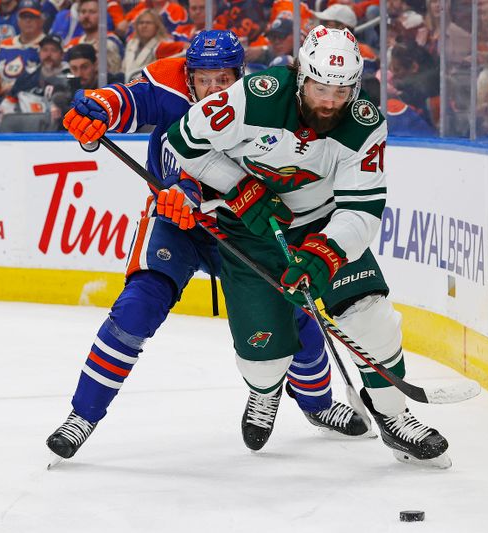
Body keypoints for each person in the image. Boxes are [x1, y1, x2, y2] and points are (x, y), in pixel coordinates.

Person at [46, 29, 370, 462]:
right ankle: (82, 416)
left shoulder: (259, 106)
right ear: (189, 77)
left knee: (293, 314)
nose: (214, 89)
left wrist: (194, 191)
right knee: (136, 308)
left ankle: (318, 403)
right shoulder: (171, 90)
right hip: (175, 227)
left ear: (239, 75)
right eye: (204, 79)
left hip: (237, 229)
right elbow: (133, 101)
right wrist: (101, 109)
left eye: (224, 79)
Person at [162, 26, 450, 465]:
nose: (331, 101)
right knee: (261, 354)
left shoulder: (364, 124)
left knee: (372, 317)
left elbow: (361, 209)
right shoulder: (254, 96)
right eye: (319, 88)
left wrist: (324, 255)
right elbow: (185, 141)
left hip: (321, 226)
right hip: (249, 232)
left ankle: (394, 416)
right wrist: (238, 187)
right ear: (300, 79)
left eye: (342, 90)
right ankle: (263, 393)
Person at [65, 0, 124, 75]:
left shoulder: (111, 41)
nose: (86, 16)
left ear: (102, 15)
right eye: (83, 12)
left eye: (92, 12)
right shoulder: (75, 42)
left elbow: (113, 72)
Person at [121, 8, 168, 82]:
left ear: (157, 26)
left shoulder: (163, 45)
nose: (144, 26)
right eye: (141, 23)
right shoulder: (131, 43)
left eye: (148, 23)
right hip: (125, 84)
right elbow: (123, 68)